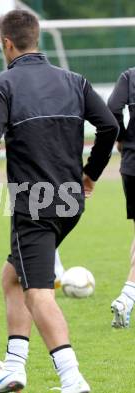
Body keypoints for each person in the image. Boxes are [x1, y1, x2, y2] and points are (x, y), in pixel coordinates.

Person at [0, 10, 118, 393]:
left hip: (34, 206)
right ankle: (15, 367)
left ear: (7, 43)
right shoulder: (75, 80)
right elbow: (110, 126)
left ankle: (72, 379)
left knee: (37, 292)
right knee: (12, 278)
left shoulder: (2, 85)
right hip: (71, 201)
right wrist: (91, 172)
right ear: (37, 38)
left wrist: (1, 134)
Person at [108, 69, 135, 328]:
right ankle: (127, 297)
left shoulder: (129, 76)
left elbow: (111, 108)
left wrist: (123, 138)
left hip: (131, 166)